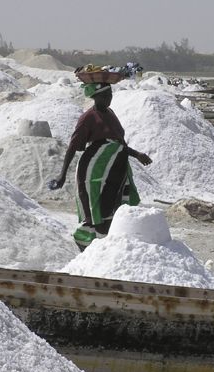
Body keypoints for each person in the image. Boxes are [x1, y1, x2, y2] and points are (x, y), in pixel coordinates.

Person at [52, 83, 152, 250]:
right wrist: (62, 175)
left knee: (116, 206)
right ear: (95, 97)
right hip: (95, 171)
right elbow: (73, 145)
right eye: (104, 96)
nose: (109, 98)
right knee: (97, 209)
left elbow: (118, 142)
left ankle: (108, 247)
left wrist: (137, 155)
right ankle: (90, 248)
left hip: (117, 168)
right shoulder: (88, 117)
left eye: (110, 94)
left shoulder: (111, 114)